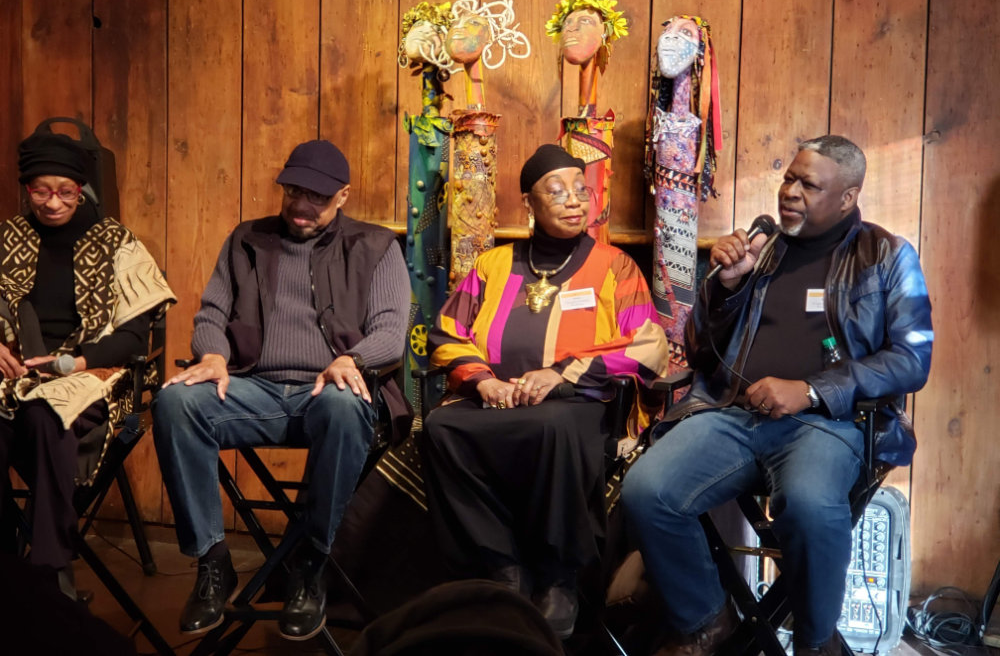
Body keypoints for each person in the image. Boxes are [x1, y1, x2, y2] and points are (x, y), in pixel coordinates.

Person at [622, 135, 934, 656]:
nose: (790, 191)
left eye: (809, 184)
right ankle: (704, 620)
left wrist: (811, 390)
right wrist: (724, 288)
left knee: (810, 505)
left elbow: (911, 359)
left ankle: (815, 642)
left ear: (847, 197)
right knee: (646, 491)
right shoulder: (761, 251)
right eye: (789, 178)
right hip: (733, 414)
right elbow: (701, 351)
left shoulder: (885, 255)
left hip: (830, 424)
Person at [153, 139, 410, 640]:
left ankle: (311, 563)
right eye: (293, 192)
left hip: (327, 393)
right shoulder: (247, 239)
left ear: (343, 196)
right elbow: (212, 313)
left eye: (317, 197)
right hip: (255, 388)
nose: (301, 205)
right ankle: (212, 561)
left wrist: (351, 359)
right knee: (176, 400)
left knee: (343, 405)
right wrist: (213, 356)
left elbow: (390, 332)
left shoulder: (376, 246)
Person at [421, 143, 668, 640]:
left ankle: (560, 577)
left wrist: (563, 374)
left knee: (553, 426)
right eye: (556, 191)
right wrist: (484, 380)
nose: (574, 200)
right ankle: (502, 568)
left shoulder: (615, 266)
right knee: (441, 426)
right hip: (496, 399)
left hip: (576, 403)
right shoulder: (492, 265)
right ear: (528, 204)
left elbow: (648, 344)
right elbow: (446, 332)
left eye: (581, 190)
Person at [0, 130, 174, 597]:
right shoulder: (7, 237)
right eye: (41, 191)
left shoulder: (117, 243)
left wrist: (72, 363)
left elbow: (134, 337)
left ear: (82, 189)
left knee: (46, 417)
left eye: (65, 191)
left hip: (91, 372)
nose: (53, 202)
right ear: (27, 190)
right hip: (15, 371)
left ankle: (50, 572)